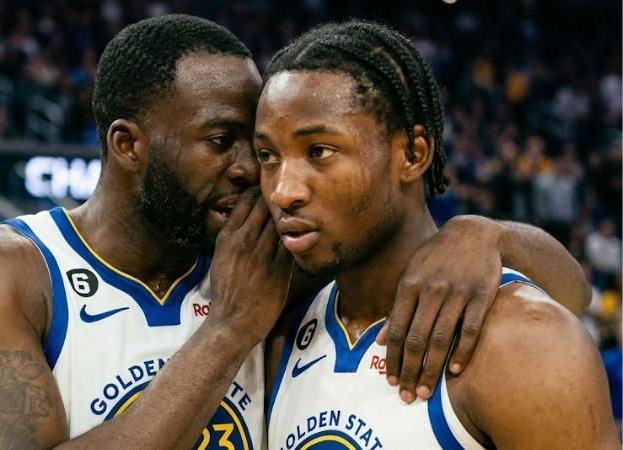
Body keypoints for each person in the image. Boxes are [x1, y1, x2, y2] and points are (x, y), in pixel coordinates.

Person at [0, 15, 590, 450]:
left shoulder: (273, 260)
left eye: (259, 146)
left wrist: (485, 236)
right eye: (224, 142)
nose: (257, 173)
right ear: (128, 145)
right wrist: (228, 331)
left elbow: (569, 296)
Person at [257, 20, 618, 448]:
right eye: (268, 156)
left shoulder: (526, 343)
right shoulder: (277, 322)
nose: (283, 191)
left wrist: (492, 234)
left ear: (413, 154)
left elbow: (576, 291)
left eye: (319, 151)